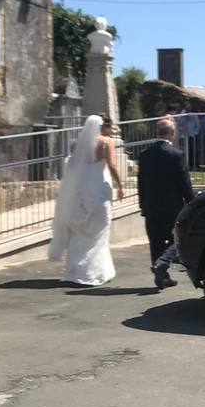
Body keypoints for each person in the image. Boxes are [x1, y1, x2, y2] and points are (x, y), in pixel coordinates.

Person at [48, 113, 124, 287]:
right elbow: (112, 165)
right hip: (99, 191)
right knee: (98, 232)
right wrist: (120, 186)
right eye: (109, 127)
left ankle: (75, 271)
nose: (110, 131)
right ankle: (96, 271)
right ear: (103, 126)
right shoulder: (106, 142)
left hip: (81, 193)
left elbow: (71, 167)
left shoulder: (77, 146)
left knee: (80, 232)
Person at [137, 120, 195, 290]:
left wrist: (143, 204)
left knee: (155, 242)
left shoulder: (144, 155)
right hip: (172, 207)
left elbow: (140, 183)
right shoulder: (176, 155)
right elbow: (185, 184)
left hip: (151, 206)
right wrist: (191, 203)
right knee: (177, 240)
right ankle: (163, 263)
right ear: (172, 133)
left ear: (157, 133)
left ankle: (162, 276)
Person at [177, 101, 199, 170]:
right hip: (183, 135)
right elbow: (179, 123)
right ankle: (185, 164)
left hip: (191, 135)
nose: (188, 107)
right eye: (186, 106)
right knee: (183, 150)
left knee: (192, 150)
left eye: (189, 106)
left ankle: (193, 165)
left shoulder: (194, 115)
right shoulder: (181, 114)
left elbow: (197, 125)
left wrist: (195, 133)